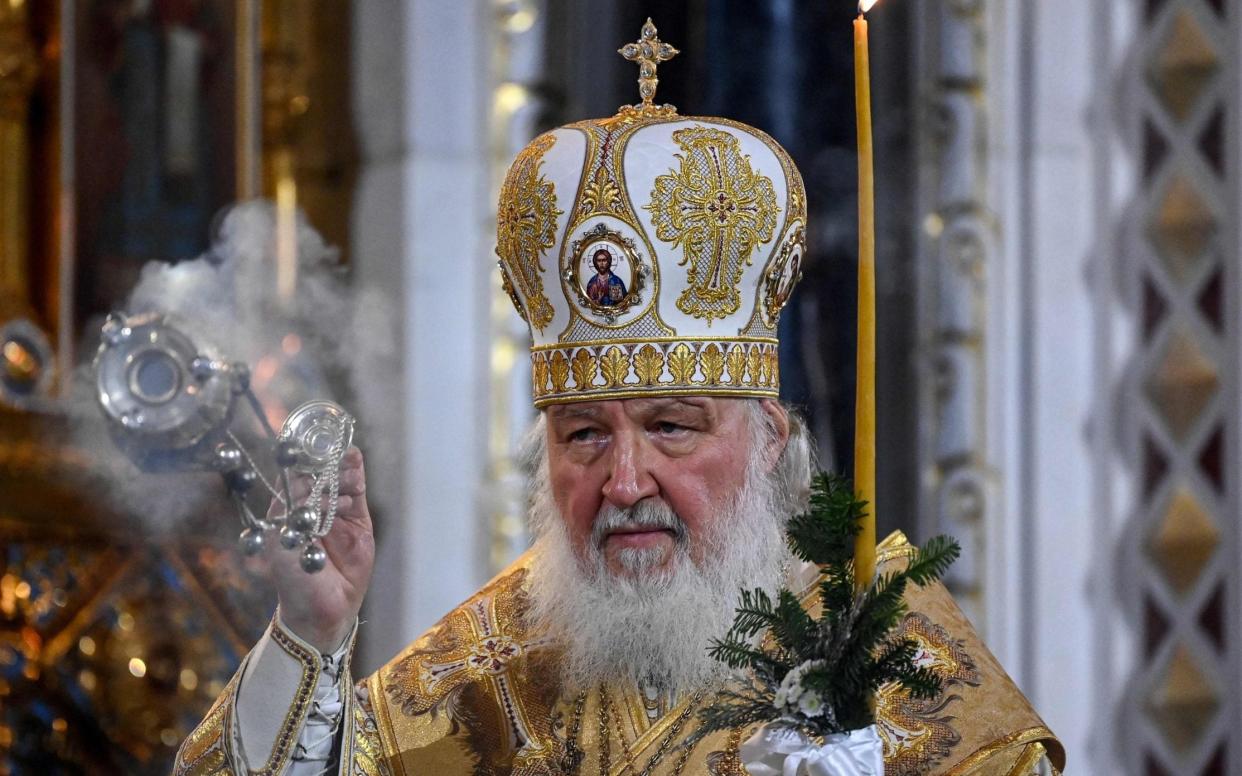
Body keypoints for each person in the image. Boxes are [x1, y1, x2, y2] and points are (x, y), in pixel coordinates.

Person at [174, 26, 1063, 776]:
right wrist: (310, 634)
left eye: (672, 427)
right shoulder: (490, 667)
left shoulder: (891, 656)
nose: (624, 479)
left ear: (769, 441)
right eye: (584, 434)